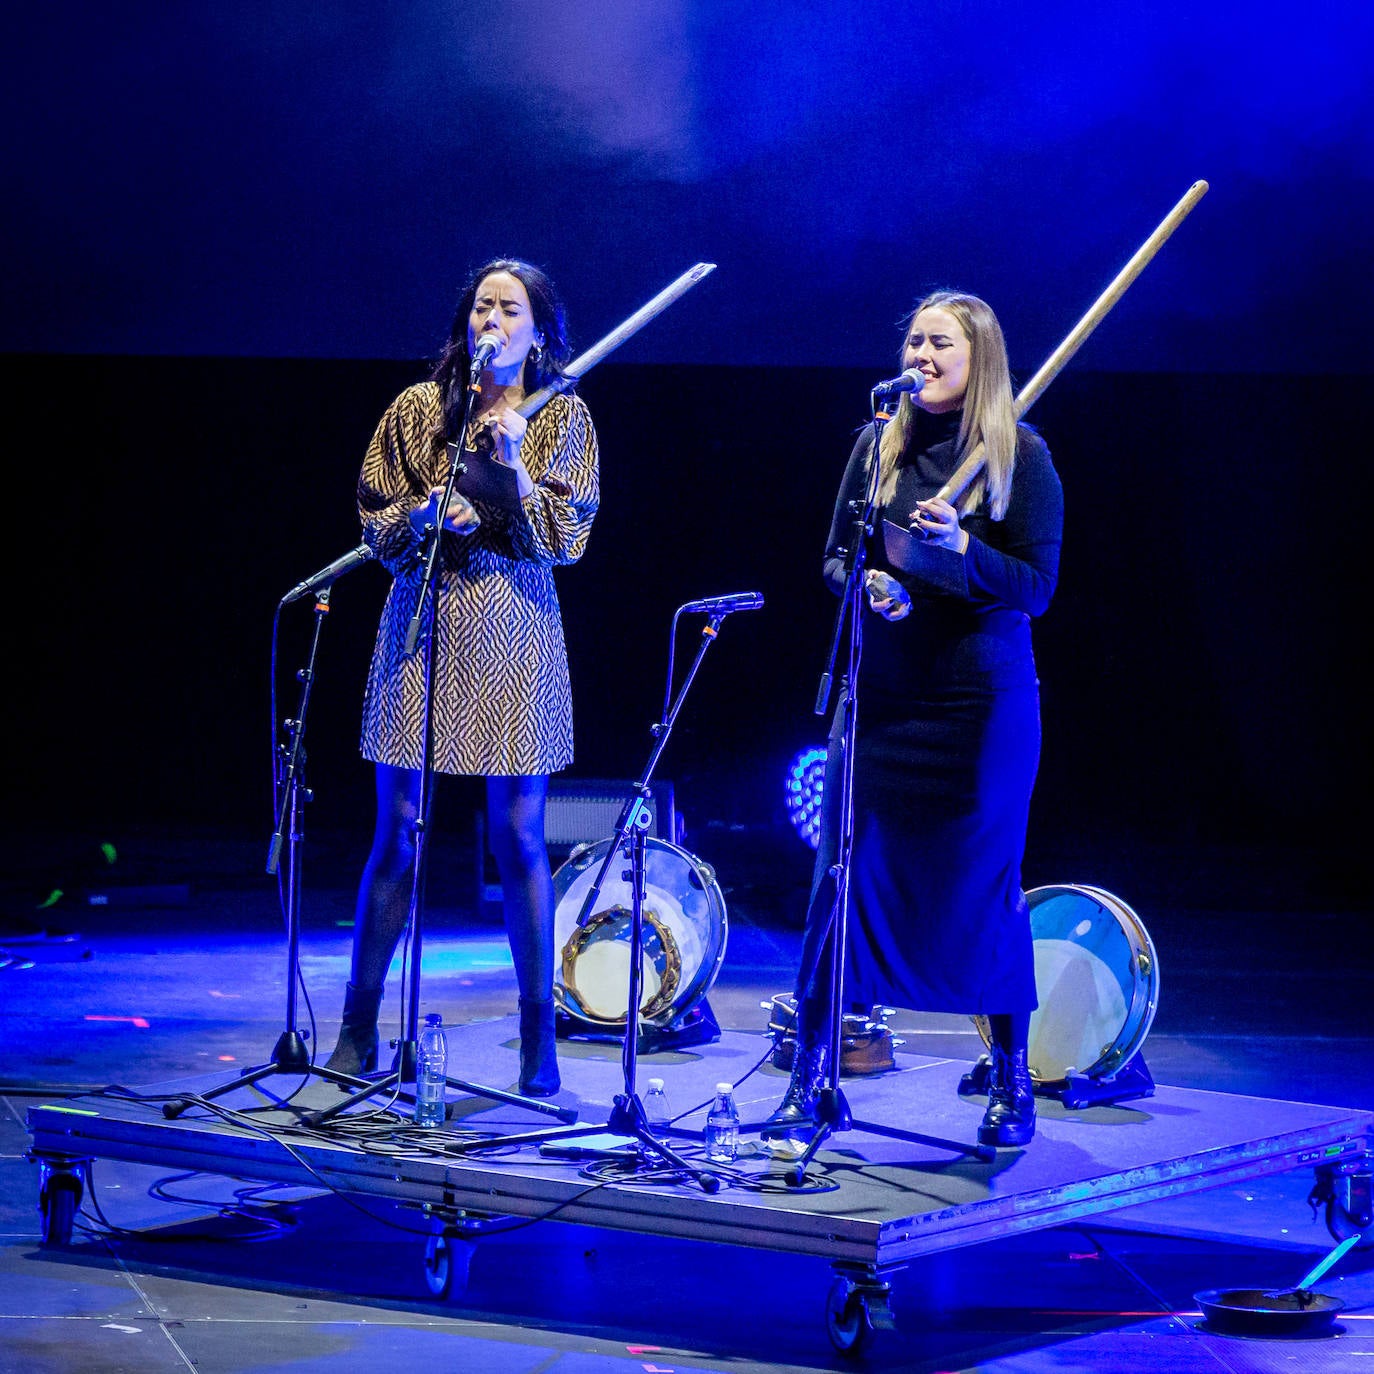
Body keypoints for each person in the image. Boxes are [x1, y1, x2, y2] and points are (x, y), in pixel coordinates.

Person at [766, 290, 1063, 1148]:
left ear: (980, 362)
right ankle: (814, 1079)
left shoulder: (1020, 454)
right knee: (839, 881)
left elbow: (1036, 589)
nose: (924, 355)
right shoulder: (877, 445)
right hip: (883, 698)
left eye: (943, 344)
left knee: (981, 888)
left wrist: (964, 549)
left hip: (978, 705)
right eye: (917, 341)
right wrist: (870, 583)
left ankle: (1012, 1084)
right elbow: (835, 554)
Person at [325, 258, 600, 1097]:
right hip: (424, 623)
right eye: (482, 305)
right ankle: (360, 1027)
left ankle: (535, 1041)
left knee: (517, 838)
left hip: (514, 632)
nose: (492, 319)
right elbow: (374, 513)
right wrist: (423, 515)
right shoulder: (417, 410)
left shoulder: (563, 418)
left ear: (539, 333)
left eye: (509, 309)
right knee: (398, 831)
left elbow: (567, 536)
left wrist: (512, 470)